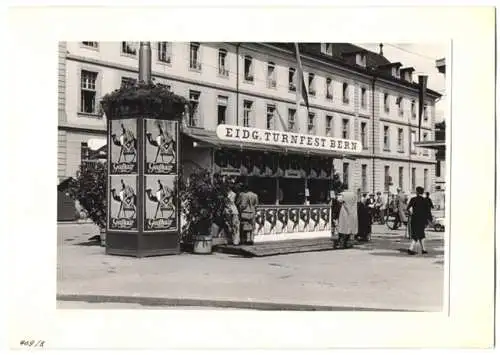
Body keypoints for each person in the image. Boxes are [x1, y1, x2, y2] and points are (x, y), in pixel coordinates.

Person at [406, 186, 429, 255]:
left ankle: (424, 249)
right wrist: (427, 220)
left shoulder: (413, 199)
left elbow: (408, 208)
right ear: (422, 192)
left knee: (420, 234)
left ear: (417, 192)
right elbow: (427, 212)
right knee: (419, 234)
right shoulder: (425, 200)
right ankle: (410, 249)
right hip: (422, 219)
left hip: (414, 219)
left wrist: (411, 213)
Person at [227, 179, 240, 245]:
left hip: (233, 211)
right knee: (229, 226)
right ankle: (230, 240)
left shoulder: (234, 194)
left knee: (235, 226)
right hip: (228, 211)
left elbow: (234, 202)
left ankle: (235, 240)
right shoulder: (226, 194)